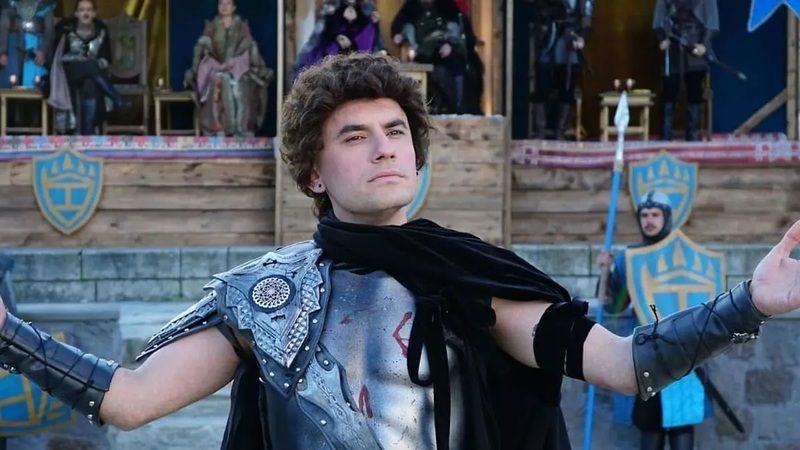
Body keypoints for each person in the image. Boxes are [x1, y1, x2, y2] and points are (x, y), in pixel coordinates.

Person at [0, 53, 797, 449]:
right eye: (355, 136)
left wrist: (749, 301)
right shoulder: (265, 295)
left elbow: (623, 365)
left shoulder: (471, 277)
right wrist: (7, 332)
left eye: (396, 132)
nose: (384, 147)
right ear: (314, 172)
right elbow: (131, 400)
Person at [598, 191, 704, 450]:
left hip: (682, 350)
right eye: (644, 215)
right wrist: (606, 272)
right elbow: (614, 306)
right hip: (646, 353)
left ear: (666, 217)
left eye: (655, 214)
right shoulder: (628, 259)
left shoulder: (685, 255)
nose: (649, 220)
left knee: (681, 422)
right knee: (650, 423)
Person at [184, 0, 273, 137]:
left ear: (234, 7)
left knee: (243, 84)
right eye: (221, 4)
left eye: (228, 4)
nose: (224, 7)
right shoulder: (211, 27)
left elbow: (249, 48)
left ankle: (241, 127)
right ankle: (220, 127)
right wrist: (200, 68)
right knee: (218, 82)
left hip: (237, 67)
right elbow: (203, 49)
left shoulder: (241, 27)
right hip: (216, 68)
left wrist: (241, 64)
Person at [47, 0, 131, 135]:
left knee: (90, 82)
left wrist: (96, 63)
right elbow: (58, 56)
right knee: (90, 66)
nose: (85, 13)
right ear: (76, 13)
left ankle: (87, 131)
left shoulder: (101, 30)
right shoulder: (66, 28)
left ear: (94, 13)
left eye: (89, 10)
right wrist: (79, 60)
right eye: (82, 10)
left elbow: (106, 58)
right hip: (69, 73)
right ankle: (116, 98)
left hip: (94, 74)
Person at [391, 0, 483, 114]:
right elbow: (399, 26)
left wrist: (450, 44)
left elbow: (459, 30)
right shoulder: (411, 6)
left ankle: (459, 109)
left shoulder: (447, 5)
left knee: (461, 69)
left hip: (445, 52)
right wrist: (398, 35)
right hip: (421, 53)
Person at [653, 0, 719, 142]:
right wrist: (663, 38)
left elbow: (712, 22)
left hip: (696, 43)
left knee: (695, 88)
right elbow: (659, 20)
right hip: (673, 43)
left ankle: (692, 134)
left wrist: (703, 44)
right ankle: (665, 135)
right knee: (669, 88)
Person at [529, 0, 592, 140]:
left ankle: (561, 131)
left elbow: (586, 19)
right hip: (548, 39)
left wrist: (582, 37)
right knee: (542, 86)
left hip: (570, 43)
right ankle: (540, 130)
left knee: (567, 89)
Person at [293, 0, 384, 80]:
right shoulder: (332, 4)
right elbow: (320, 36)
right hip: (332, 56)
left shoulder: (367, 6)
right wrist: (336, 37)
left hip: (356, 59)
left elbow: (371, 38)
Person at [0, 0, 54, 88]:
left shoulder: (46, 7)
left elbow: (49, 31)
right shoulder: (10, 5)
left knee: (36, 83)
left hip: (36, 46)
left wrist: (43, 50)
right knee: (11, 83)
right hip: (13, 46)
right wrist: (2, 51)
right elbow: (3, 26)